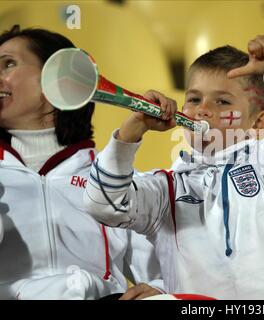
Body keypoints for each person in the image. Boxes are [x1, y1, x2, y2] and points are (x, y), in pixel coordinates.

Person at [84, 34, 264, 299]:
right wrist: (130, 134)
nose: (203, 110)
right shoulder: (165, 189)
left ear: (259, 121)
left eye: (222, 102)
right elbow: (102, 205)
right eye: (194, 99)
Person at [0, 25, 164, 300]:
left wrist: (158, 289)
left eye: (8, 64)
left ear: (59, 77)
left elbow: (163, 272)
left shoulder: (116, 178)